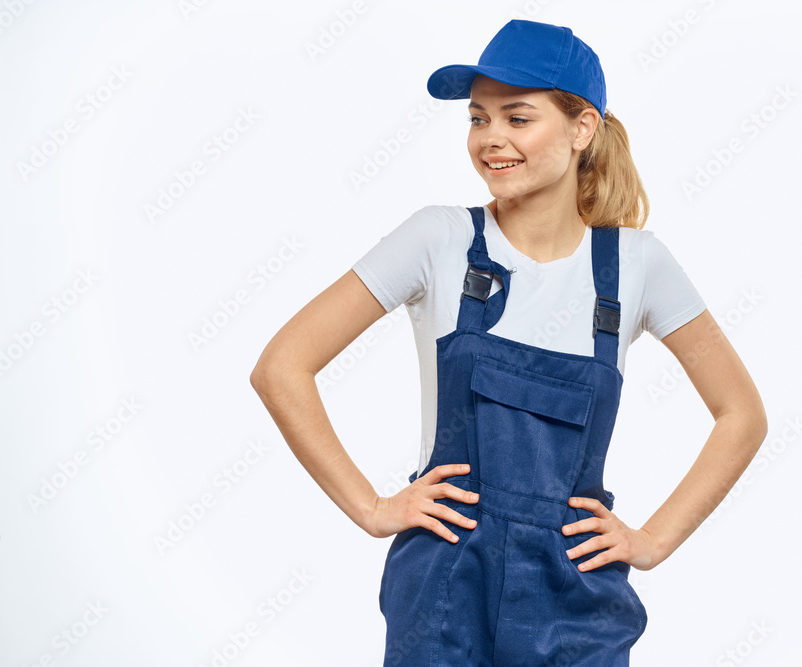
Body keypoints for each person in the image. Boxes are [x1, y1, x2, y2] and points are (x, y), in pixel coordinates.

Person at [250, 18, 767, 666]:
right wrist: (374, 507)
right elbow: (282, 366)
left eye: (517, 118)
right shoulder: (437, 240)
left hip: (574, 590)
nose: (491, 139)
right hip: (443, 584)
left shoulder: (636, 265)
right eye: (478, 118)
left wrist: (652, 541)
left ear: (582, 129)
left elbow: (741, 413)